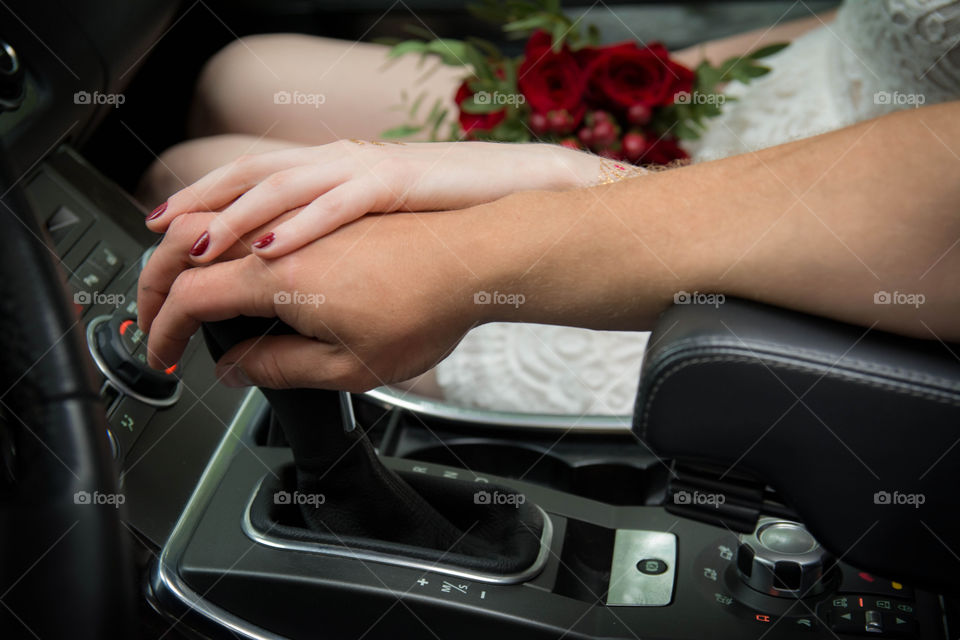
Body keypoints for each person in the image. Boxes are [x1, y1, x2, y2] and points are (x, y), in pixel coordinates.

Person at [137, 1, 960, 411]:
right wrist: (655, 80)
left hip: (836, 249)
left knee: (205, 188)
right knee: (242, 75)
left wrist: (555, 195)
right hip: (765, 103)